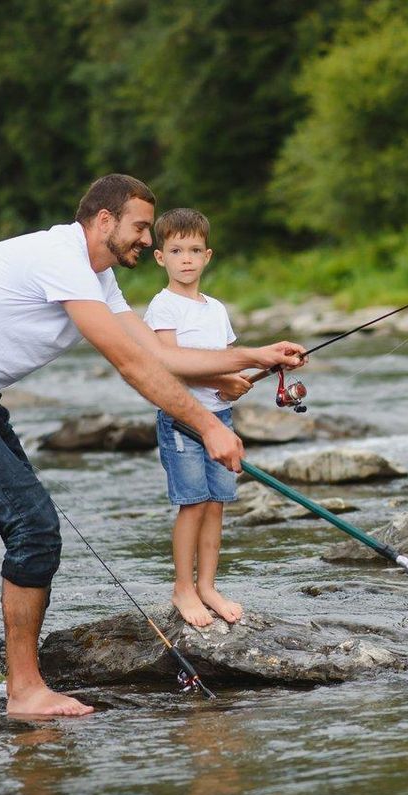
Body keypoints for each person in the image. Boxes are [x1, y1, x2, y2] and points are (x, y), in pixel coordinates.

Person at [0, 175, 304, 717]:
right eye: (141, 227)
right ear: (103, 221)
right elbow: (131, 365)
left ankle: (22, 682)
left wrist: (254, 356)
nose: (149, 242)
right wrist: (209, 425)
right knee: (33, 527)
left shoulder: (97, 279)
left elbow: (159, 356)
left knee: (33, 527)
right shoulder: (60, 258)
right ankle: (25, 691)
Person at [144, 208, 247, 627]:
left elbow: (224, 359)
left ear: (208, 256)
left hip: (220, 417)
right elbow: (173, 365)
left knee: (217, 504)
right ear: (159, 258)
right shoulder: (162, 307)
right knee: (193, 504)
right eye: (176, 250)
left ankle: (207, 585)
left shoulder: (216, 308)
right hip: (182, 422)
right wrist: (223, 374)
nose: (186, 258)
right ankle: (182, 589)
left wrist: (234, 381)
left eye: (194, 250)